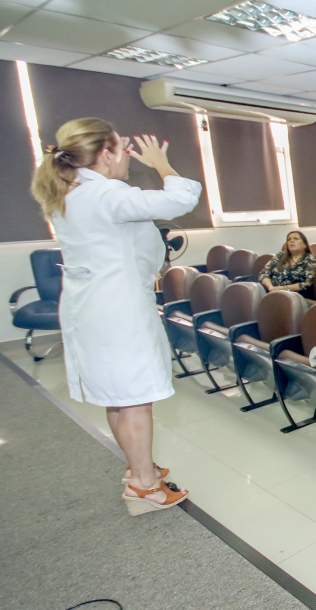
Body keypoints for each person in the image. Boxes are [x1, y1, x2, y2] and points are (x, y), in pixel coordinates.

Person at [31, 120, 200, 512]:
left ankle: (137, 468)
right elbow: (181, 199)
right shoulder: (105, 193)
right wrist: (162, 164)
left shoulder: (68, 193)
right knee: (136, 398)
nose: (128, 158)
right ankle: (145, 486)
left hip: (89, 308)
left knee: (117, 396)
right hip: (118, 309)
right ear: (105, 155)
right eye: (122, 151)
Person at [259, 230, 316, 298]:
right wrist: (271, 288)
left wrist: (282, 289)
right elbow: (264, 274)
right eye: (289, 239)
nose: (292, 241)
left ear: (305, 245)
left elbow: (308, 284)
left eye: (296, 239)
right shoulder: (279, 256)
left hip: (297, 296)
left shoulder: (311, 259)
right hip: (272, 292)